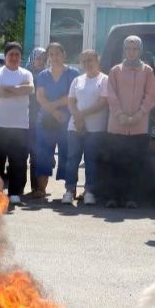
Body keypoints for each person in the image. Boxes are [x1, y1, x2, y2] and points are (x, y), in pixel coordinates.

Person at [106, 36, 155, 209]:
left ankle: (131, 198)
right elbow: (111, 94)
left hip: (139, 126)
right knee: (115, 163)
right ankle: (113, 197)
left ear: (140, 50)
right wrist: (120, 114)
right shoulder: (115, 70)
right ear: (124, 50)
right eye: (128, 48)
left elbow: (152, 95)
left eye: (135, 49)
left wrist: (139, 114)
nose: (131, 51)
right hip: (116, 125)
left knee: (135, 164)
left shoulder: (147, 71)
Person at [0, 42, 34, 207]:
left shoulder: (26, 73)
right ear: (6, 56)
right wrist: (16, 89)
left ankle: (15, 193)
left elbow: (28, 90)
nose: (14, 58)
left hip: (20, 125)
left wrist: (7, 89)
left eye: (17, 55)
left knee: (18, 160)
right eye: (11, 54)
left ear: (21, 57)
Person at [32, 42, 79, 200]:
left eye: (57, 54)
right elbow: (40, 96)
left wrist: (55, 107)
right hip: (45, 122)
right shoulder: (43, 75)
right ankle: (41, 189)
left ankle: (70, 190)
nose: (54, 57)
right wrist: (53, 111)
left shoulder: (73, 73)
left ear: (64, 54)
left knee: (68, 154)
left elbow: (72, 96)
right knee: (43, 153)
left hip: (66, 120)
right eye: (51, 54)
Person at [63, 50, 108, 206]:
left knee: (91, 160)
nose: (87, 63)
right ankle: (70, 190)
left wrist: (81, 115)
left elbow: (103, 102)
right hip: (74, 126)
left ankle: (89, 191)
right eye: (84, 61)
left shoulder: (104, 80)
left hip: (95, 129)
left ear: (97, 61)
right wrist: (77, 117)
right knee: (72, 159)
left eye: (90, 60)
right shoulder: (77, 80)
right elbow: (70, 101)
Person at [25, 47, 48, 197]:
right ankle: (18, 187)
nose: (41, 62)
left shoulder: (46, 76)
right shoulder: (25, 74)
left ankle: (36, 188)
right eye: (38, 58)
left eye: (43, 59)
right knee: (21, 155)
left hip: (40, 121)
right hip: (24, 120)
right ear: (33, 58)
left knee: (36, 154)